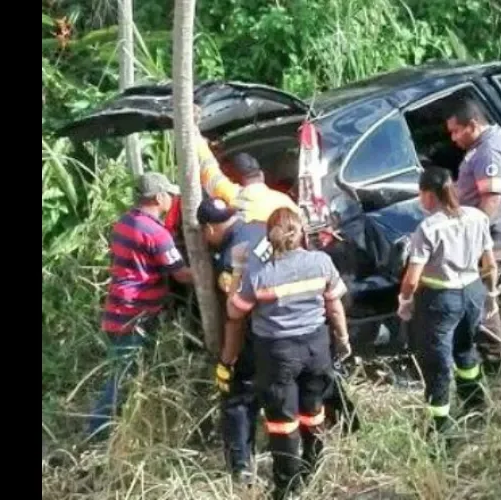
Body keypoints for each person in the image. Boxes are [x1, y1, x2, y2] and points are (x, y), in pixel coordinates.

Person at [223, 207, 352, 499]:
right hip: (316, 347)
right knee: (313, 409)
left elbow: (234, 310)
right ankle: (313, 467)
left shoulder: (261, 273)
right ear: (302, 232)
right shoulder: (321, 262)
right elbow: (334, 306)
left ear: (270, 237)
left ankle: (287, 485)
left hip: (277, 352)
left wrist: (239, 267)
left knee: (283, 419)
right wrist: (342, 339)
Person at [88, 172, 194, 440]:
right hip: (133, 315)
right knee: (122, 379)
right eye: (169, 194)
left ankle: (123, 431)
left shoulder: (125, 222)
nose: (172, 199)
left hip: (119, 309)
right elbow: (181, 274)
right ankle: (96, 436)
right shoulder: (156, 233)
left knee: (130, 372)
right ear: (159, 197)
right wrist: (213, 272)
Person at [397, 167, 499, 436]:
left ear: (428, 195)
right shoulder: (477, 217)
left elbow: (412, 278)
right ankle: (476, 408)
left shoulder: (428, 228)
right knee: (465, 350)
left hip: (440, 300)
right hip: (473, 291)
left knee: (437, 362)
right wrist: (491, 296)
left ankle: (439, 429)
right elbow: (490, 264)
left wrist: (405, 301)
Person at [196, 197, 269, 484]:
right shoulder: (262, 228)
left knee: (236, 396)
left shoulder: (230, 259)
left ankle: (240, 468)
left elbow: (236, 315)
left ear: (210, 228)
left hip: (255, 334)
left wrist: (227, 360)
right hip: (290, 327)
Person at [446, 97, 501, 373]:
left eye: (456, 131)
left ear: (473, 125)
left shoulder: (489, 151)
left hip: (490, 235)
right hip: (493, 231)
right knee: (484, 292)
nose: (453, 138)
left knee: (481, 299)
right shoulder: (498, 137)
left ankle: (494, 360)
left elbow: (491, 199)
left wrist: (472, 237)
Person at [192, 105, 301, 223]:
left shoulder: (233, 196)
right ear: (261, 175)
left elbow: (207, 167)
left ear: (238, 178)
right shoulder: (284, 202)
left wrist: (193, 129)